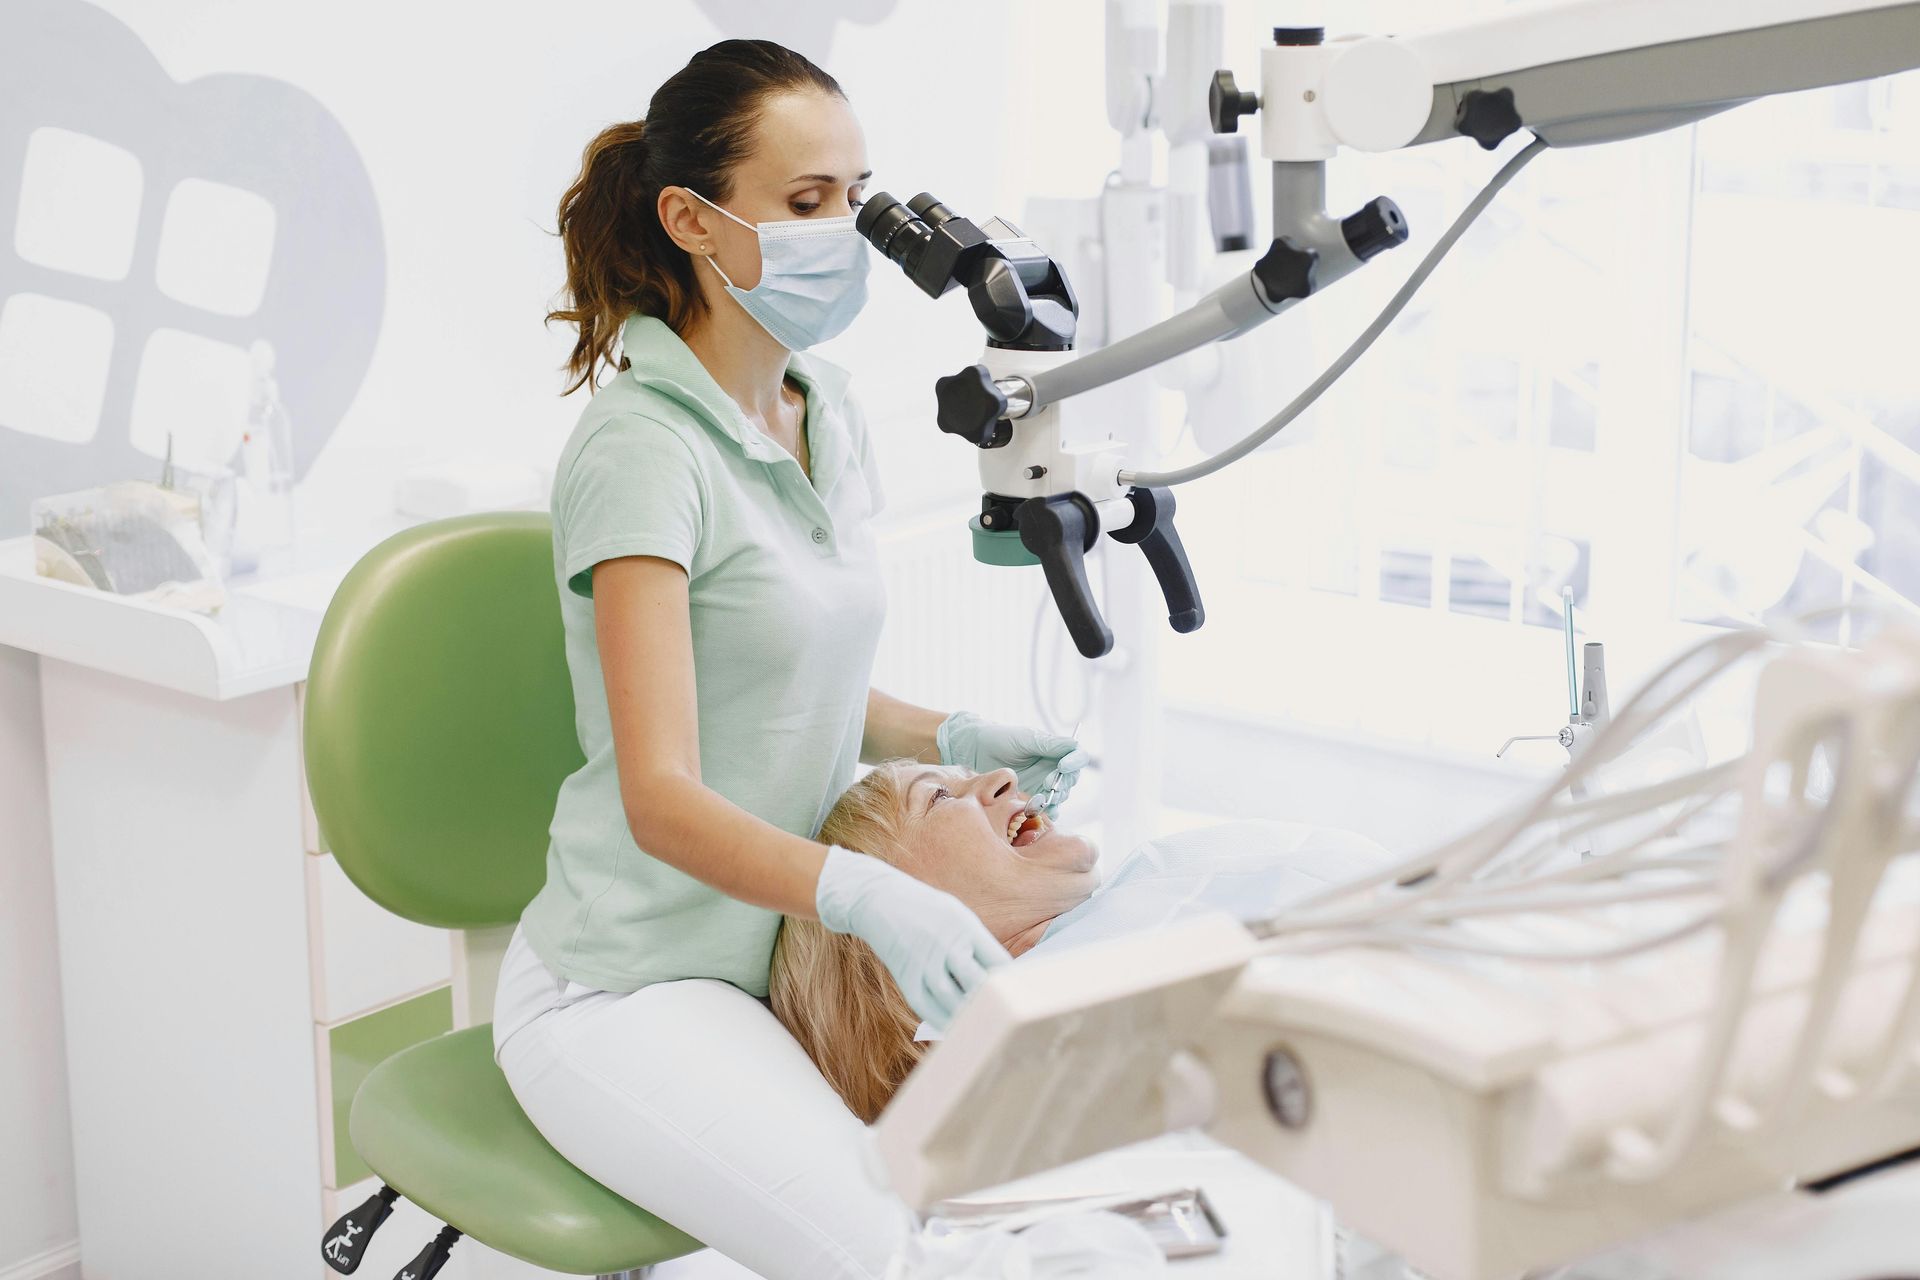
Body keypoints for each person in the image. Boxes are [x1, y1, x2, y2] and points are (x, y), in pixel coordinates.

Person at [489, 39, 1088, 1280]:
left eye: (853, 200)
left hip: (767, 952)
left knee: (1012, 1193)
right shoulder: (642, 449)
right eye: (804, 203)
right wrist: (863, 889)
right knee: (893, 1252)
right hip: (628, 980)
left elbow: (785, 683)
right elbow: (663, 796)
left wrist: (952, 738)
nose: (842, 233)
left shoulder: (823, 406)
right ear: (691, 220)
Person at [770, 761, 1393, 1122]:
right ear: (886, 926)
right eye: (937, 796)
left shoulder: (1123, 916)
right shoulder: (1044, 1062)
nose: (1000, 776)